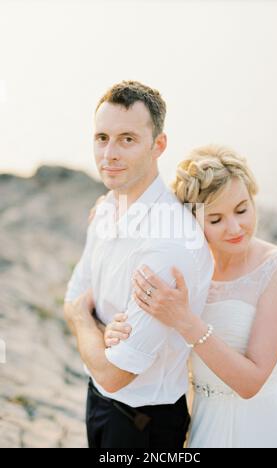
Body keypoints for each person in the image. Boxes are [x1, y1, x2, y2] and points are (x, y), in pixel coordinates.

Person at [104, 145, 277, 448]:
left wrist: (184, 321)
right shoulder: (187, 268)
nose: (235, 228)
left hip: (262, 428)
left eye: (242, 209)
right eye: (216, 219)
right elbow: (161, 348)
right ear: (194, 220)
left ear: (253, 198)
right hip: (202, 427)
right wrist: (119, 330)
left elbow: (251, 383)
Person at [63, 81, 213, 448]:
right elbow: (72, 296)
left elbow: (116, 374)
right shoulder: (106, 209)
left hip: (145, 423)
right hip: (96, 401)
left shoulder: (168, 244)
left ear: (158, 145)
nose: (109, 154)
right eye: (102, 138)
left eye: (127, 139)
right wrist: (97, 326)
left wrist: (85, 319)